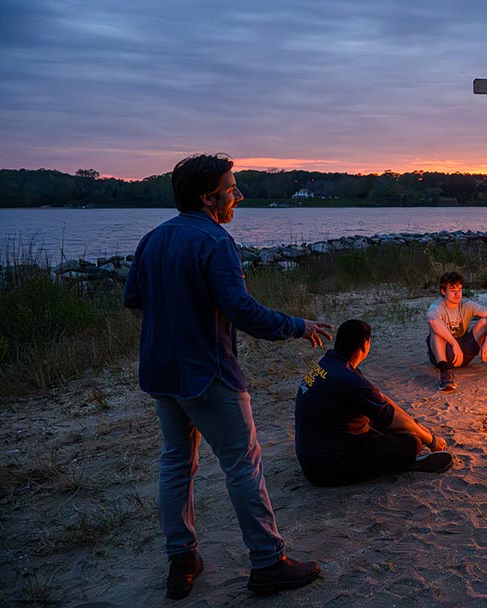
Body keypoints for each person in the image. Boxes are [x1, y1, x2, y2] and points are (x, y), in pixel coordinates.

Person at [124, 154, 332, 599]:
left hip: (162, 373)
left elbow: (134, 297)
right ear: (208, 196)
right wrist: (299, 326)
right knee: (243, 465)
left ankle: (182, 558)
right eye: (231, 188)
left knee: (176, 463)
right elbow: (241, 312)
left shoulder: (152, 239)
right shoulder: (216, 242)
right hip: (208, 372)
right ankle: (267, 562)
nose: (238, 195)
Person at [295, 319, 453, 486]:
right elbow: (391, 417)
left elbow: (381, 399)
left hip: (316, 452)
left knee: (392, 424)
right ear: (365, 345)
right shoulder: (348, 379)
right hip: (327, 467)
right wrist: (431, 440)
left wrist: (417, 425)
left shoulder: (332, 363)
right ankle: (398, 463)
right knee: (412, 444)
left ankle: (392, 451)